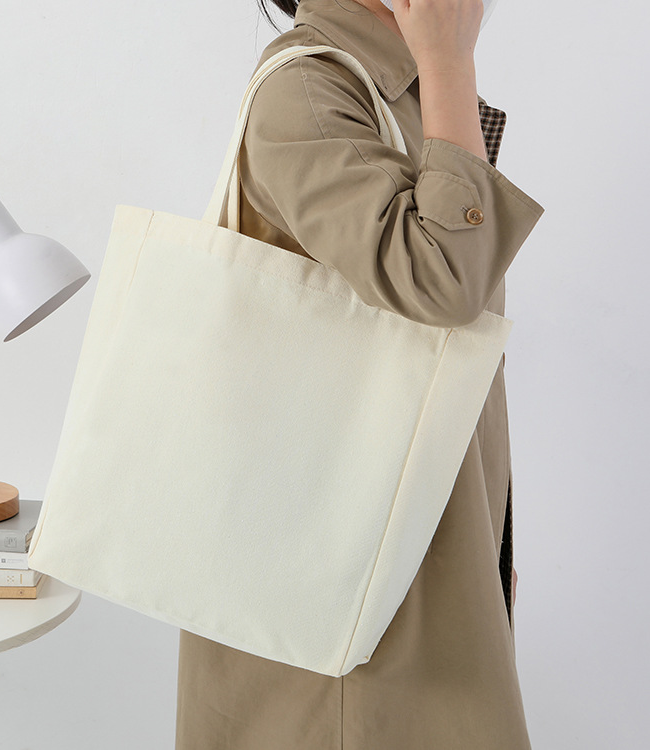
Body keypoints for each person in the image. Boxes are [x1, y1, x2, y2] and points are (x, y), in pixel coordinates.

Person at [175, 1, 544, 747]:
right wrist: (449, 63)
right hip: (346, 600)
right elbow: (442, 282)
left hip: (395, 560)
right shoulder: (308, 89)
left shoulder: (388, 90)